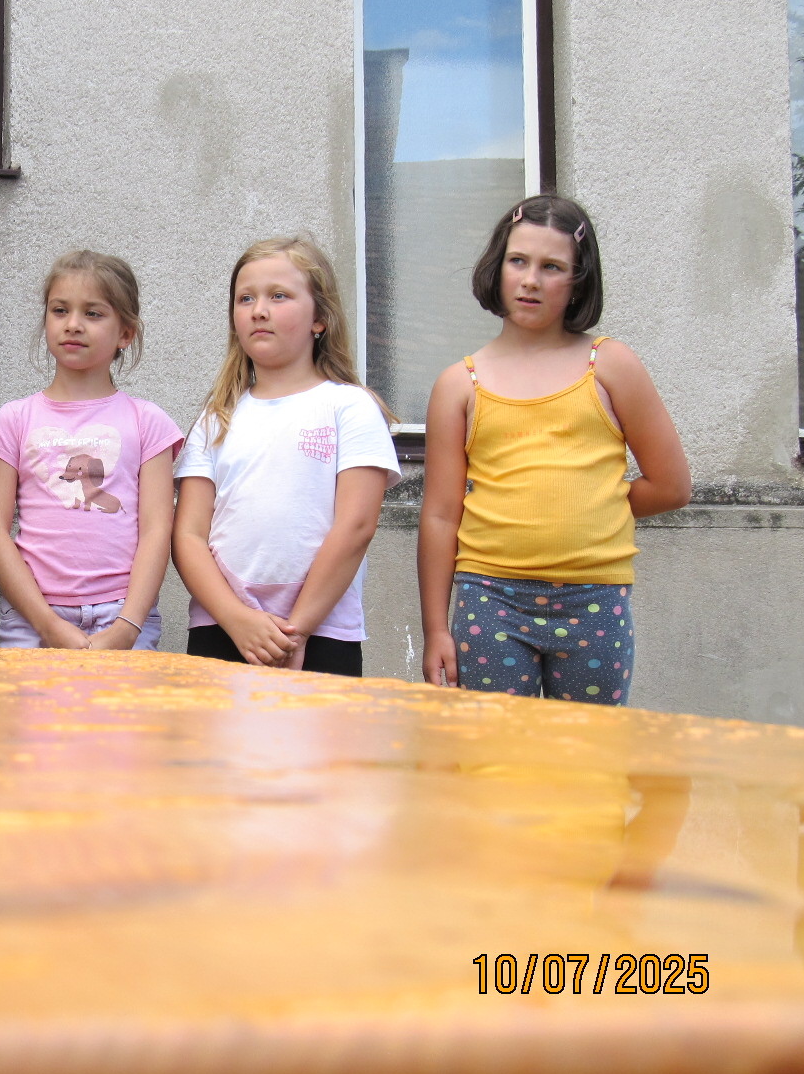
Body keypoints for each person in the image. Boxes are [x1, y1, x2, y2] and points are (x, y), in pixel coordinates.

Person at [418, 195, 690, 702]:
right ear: (497, 266)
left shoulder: (610, 366)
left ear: (578, 280)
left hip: (594, 599)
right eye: (518, 261)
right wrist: (435, 628)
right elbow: (439, 515)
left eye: (552, 267)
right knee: (493, 746)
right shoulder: (458, 385)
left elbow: (672, 487)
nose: (531, 280)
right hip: (489, 599)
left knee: (589, 747)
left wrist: (592, 505)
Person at [173, 236, 400, 675]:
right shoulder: (215, 418)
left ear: (320, 318)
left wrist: (298, 630)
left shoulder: (350, 407)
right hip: (222, 627)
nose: (259, 310)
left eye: (279, 296)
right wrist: (237, 620)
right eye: (246, 298)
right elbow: (188, 536)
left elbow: (356, 526)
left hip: (322, 631)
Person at [0, 250, 182, 650]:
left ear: (125, 333)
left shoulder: (148, 422)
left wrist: (128, 625)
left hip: (122, 613)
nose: (73, 324)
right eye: (60, 310)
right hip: (33, 616)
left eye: (93, 313)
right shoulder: (15, 418)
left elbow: (158, 530)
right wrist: (46, 624)